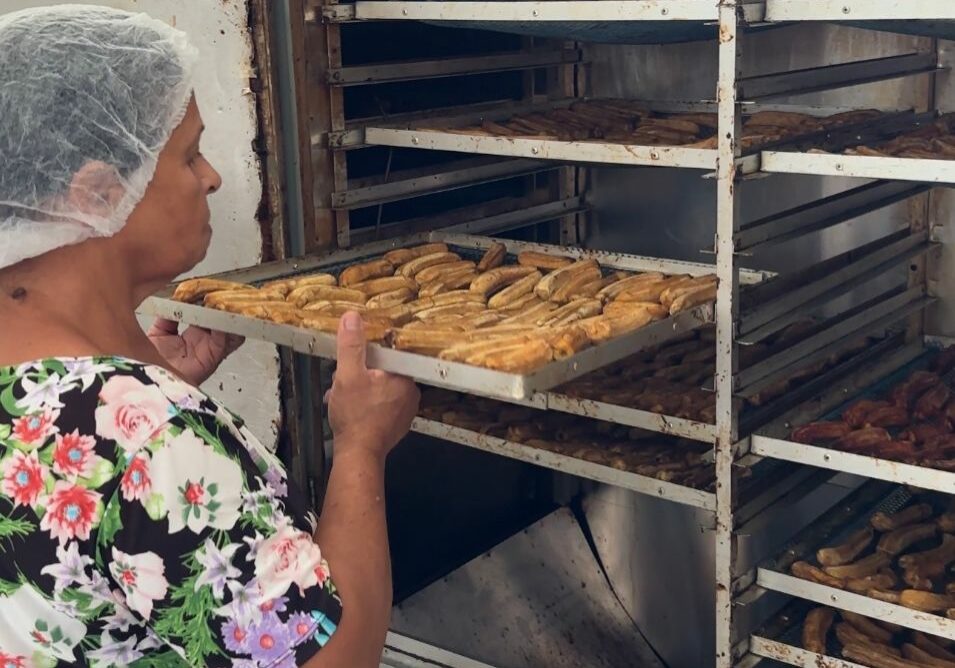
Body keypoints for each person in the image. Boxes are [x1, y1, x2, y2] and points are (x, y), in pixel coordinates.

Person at [0, 5, 419, 667]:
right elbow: (332, 660)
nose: (212, 177)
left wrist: (145, 382)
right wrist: (362, 446)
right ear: (98, 194)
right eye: (189, 153)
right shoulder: (146, 443)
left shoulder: (79, 407)